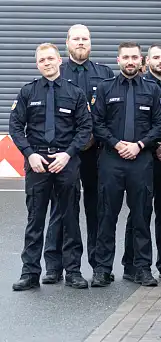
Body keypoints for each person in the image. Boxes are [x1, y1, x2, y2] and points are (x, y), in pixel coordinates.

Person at [9, 43, 93, 291]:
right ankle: (30, 273)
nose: (46, 63)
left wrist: (67, 155)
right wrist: (29, 154)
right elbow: (15, 127)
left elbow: (85, 128)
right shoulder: (28, 92)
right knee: (35, 219)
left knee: (70, 218)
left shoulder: (75, 93)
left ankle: (74, 271)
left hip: (65, 163)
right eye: (41, 60)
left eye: (50, 58)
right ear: (38, 64)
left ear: (59, 60)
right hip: (37, 163)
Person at [90, 42, 161, 288]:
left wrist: (140, 145)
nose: (130, 61)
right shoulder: (105, 88)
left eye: (134, 57)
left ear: (141, 60)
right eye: (126, 57)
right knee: (106, 216)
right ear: (119, 59)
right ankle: (102, 269)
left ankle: (142, 268)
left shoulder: (152, 89)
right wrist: (116, 143)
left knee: (142, 216)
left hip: (141, 161)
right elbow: (96, 122)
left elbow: (160, 124)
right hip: (111, 160)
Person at [43, 24, 114, 283]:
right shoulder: (56, 74)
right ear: (67, 43)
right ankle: (55, 264)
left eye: (85, 39)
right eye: (76, 39)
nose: (81, 43)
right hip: (67, 152)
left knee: (97, 208)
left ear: (90, 43)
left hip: (96, 151)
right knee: (62, 208)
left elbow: (109, 112)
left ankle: (99, 265)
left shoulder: (104, 73)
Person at [122, 44, 161, 281]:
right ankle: (132, 263)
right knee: (139, 212)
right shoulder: (139, 86)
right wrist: (154, 145)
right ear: (146, 61)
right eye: (156, 57)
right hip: (144, 156)